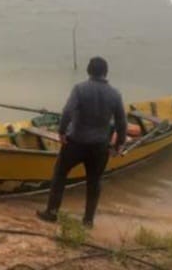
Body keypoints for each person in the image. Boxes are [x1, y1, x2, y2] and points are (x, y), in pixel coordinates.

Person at [37, 57, 127, 228]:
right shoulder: (115, 94)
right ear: (105, 73)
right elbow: (122, 123)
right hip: (100, 146)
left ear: (88, 71)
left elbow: (68, 111)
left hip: (76, 142)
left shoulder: (80, 89)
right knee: (94, 182)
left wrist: (62, 132)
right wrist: (119, 145)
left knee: (59, 175)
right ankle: (88, 221)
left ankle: (52, 212)